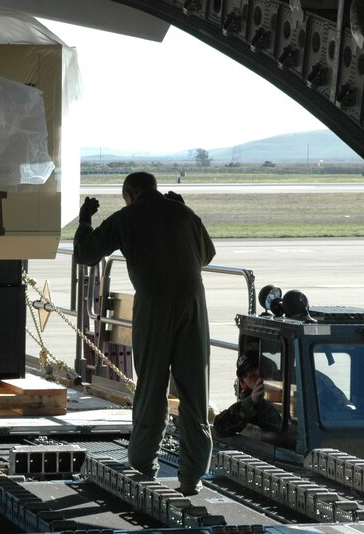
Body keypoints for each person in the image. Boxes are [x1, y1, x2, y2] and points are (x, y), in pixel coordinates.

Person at [74, 172, 215, 496]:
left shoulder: (127, 217)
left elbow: (85, 254)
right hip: (193, 302)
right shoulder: (183, 213)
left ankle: (143, 465)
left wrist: (84, 222)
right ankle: (192, 477)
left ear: (129, 194)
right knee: (194, 388)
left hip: (154, 302)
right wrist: (184, 211)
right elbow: (206, 255)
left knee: (152, 384)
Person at [213, 351, 282, 437]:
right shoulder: (249, 402)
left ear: (265, 368)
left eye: (253, 368)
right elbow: (219, 428)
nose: (249, 374)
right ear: (243, 381)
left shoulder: (287, 387)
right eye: (244, 373)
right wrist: (251, 402)